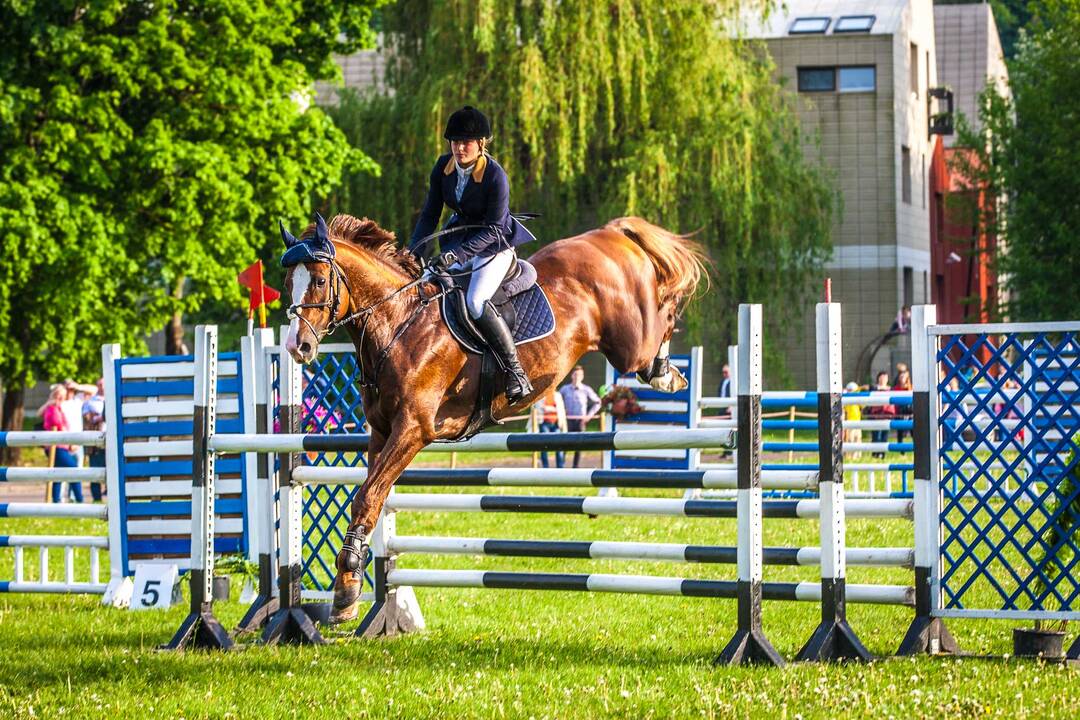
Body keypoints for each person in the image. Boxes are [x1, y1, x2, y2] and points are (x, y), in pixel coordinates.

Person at [409, 105, 537, 403]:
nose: (459, 148)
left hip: (494, 246)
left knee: (476, 302)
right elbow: (429, 214)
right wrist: (414, 251)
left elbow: (494, 229)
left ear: (481, 144)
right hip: (461, 241)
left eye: (466, 142)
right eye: (455, 142)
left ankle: (516, 371)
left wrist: (456, 257)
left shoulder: (495, 175)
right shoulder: (443, 168)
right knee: (424, 290)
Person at [42, 384, 82, 503]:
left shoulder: (58, 409)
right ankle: (80, 500)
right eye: (58, 395)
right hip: (56, 447)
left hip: (60, 446)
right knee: (74, 470)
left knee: (58, 474)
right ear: (54, 395)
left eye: (63, 396)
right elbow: (58, 425)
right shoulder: (52, 408)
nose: (60, 398)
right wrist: (71, 443)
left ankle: (56, 501)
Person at [558, 366, 601, 468]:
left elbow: (598, 402)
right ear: (572, 375)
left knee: (579, 445)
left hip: (581, 421)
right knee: (565, 444)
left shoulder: (586, 389)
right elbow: (558, 401)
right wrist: (561, 413)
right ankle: (561, 466)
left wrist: (588, 416)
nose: (577, 377)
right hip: (567, 421)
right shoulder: (565, 389)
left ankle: (575, 468)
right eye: (575, 374)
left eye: (579, 375)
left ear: (582, 377)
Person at [82, 378, 107, 502]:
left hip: (113, 439)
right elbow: (88, 419)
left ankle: (111, 495)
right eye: (100, 384)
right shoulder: (90, 402)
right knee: (95, 469)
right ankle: (96, 497)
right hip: (97, 440)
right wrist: (100, 418)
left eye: (104, 384)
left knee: (112, 468)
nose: (102, 387)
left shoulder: (114, 397)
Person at [532, 386, 568, 468]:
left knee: (559, 446)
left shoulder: (558, 395)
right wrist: (547, 409)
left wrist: (551, 409)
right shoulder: (541, 396)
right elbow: (536, 408)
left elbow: (561, 410)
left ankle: (560, 467)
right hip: (544, 423)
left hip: (556, 423)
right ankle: (545, 467)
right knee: (544, 446)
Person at [865, 371, 895, 459]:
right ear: (878, 379)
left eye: (885, 378)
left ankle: (882, 454)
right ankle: (875, 453)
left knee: (884, 435)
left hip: (887, 415)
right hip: (876, 414)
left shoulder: (890, 389)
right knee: (876, 435)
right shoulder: (874, 388)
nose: (883, 379)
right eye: (881, 377)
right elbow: (867, 388)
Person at [893, 364, 913, 445]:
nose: (902, 378)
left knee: (913, 430)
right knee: (900, 430)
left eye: (903, 377)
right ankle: (901, 449)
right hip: (900, 411)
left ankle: (915, 446)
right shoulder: (896, 387)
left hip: (910, 411)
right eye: (900, 377)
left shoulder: (910, 387)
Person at [842, 381, 863, 460]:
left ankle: (857, 455)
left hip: (857, 421)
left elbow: (862, 406)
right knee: (850, 439)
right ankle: (849, 455)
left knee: (858, 438)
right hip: (849, 421)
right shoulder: (845, 398)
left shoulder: (858, 399)